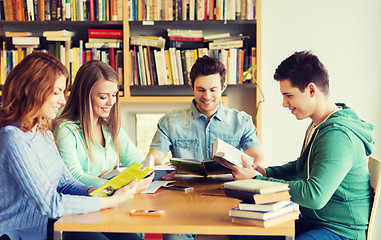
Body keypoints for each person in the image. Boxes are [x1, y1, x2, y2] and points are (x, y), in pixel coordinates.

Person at [229, 51, 374, 240]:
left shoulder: (337, 135)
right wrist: (266, 173)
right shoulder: (319, 125)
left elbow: (315, 195)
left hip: (339, 231)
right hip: (314, 222)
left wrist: (258, 181)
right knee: (241, 233)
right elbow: (302, 166)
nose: (284, 103)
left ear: (311, 90)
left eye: (288, 95)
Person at [0, 52, 144, 240]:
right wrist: (112, 200)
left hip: (54, 224)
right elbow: (51, 204)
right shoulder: (13, 138)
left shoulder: (43, 132)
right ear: (33, 90)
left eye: (63, 92)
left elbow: (66, 182)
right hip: (21, 233)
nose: (62, 100)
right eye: (56, 92)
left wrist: (96, 192)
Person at [147, 56, 264, 240]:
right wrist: (161, 170)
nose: (207, 96)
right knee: (172, 235)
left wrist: (251, 168)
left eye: (213, 90)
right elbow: (152, 160)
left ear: (223, 87)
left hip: (229, 198)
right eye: (200, 89)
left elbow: (259, 159)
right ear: (191, 86)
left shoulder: (241, 121)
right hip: (182, 200)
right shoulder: (170, 122)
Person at [53, 60, 154, 190]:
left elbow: (139, 163)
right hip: (84, 202)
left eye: (114, 95)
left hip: (110, 200)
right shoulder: (65, 129)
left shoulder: (110, 128)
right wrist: (114, 184)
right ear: (84, 95)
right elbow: (73, 177)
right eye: (103, 97)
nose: (111, 102)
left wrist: (152, 172)